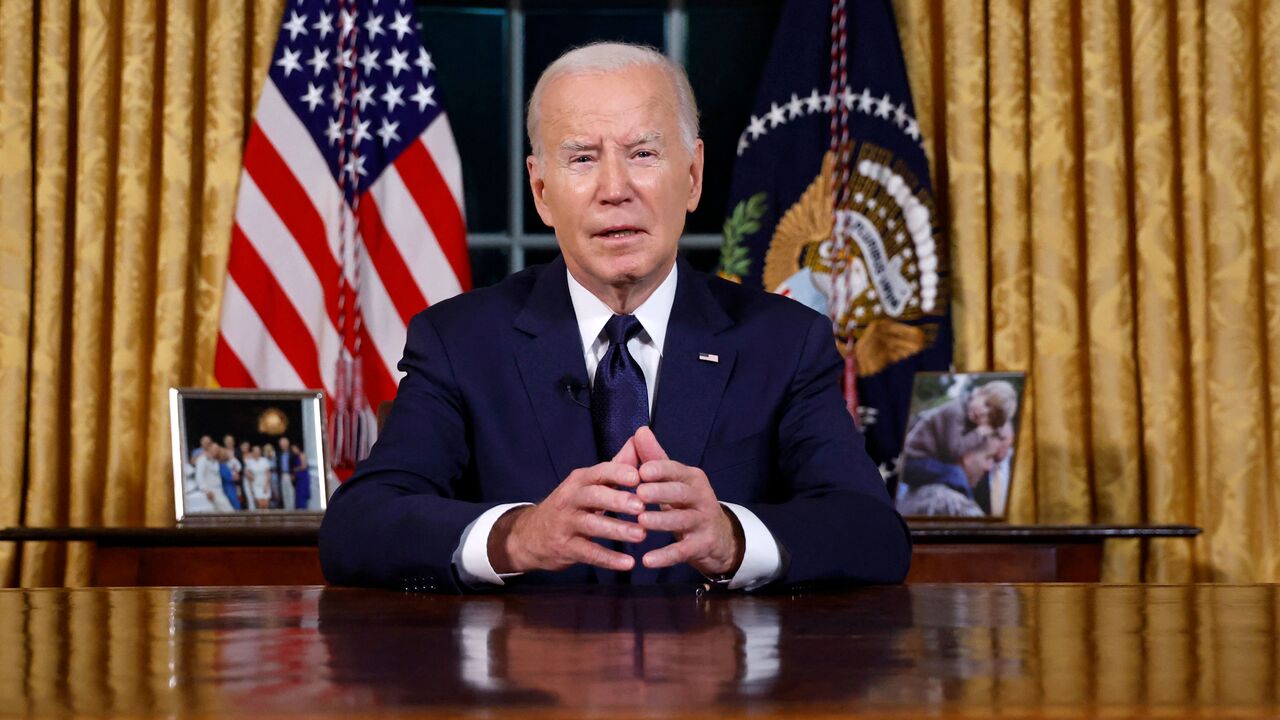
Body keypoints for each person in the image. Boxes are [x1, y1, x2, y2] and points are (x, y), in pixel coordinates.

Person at [319, 42, 911, 593]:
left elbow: (872, 533)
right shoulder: (459, 342)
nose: (614, 188)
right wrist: (518, 536)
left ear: (694, 176)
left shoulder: (784, 341)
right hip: (529, 690)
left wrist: (731, 537)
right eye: (582, 158)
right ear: (542, 190)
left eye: (643, 153)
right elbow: (359, 526)